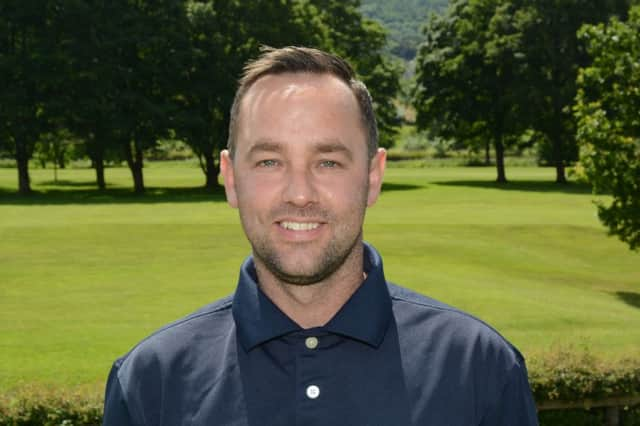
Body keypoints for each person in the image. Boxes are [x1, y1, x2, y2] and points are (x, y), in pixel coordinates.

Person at [103, 46, 539, 425]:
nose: (299, 194)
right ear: (231, 178)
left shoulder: (479, 368)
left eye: (328, 161)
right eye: (269, 162)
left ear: (372, 176)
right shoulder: (150, 382)